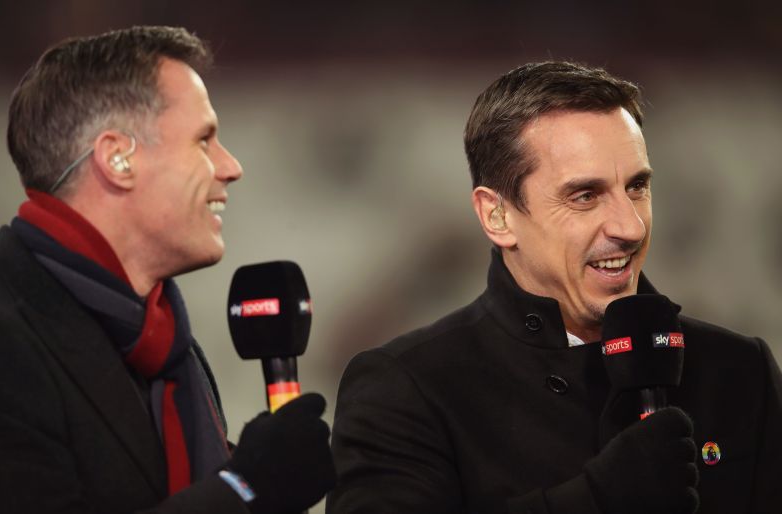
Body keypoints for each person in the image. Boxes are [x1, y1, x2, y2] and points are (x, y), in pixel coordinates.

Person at [327, 62, 782, 514]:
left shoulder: (740, 370)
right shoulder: (406, 388)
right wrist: (596, 501)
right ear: (497, 216)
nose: (629, 225)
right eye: (585, 195)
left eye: (637, 186)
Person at [0, 26, 335, 514]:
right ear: (118, 158)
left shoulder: (160, 337)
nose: (231, 166)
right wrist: (244, 490)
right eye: (204, 140)